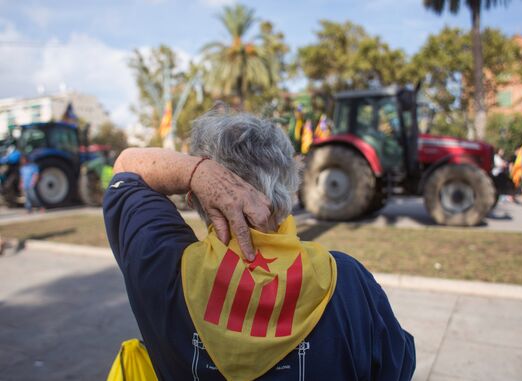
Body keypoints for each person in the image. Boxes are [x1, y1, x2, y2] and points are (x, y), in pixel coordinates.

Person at [103, 110, 415, 381]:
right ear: (290, 189)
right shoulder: (347, 283)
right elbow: (395, 366)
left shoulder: (161, 265)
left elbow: (127, 167)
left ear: (195, 198)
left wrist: (196, 171)